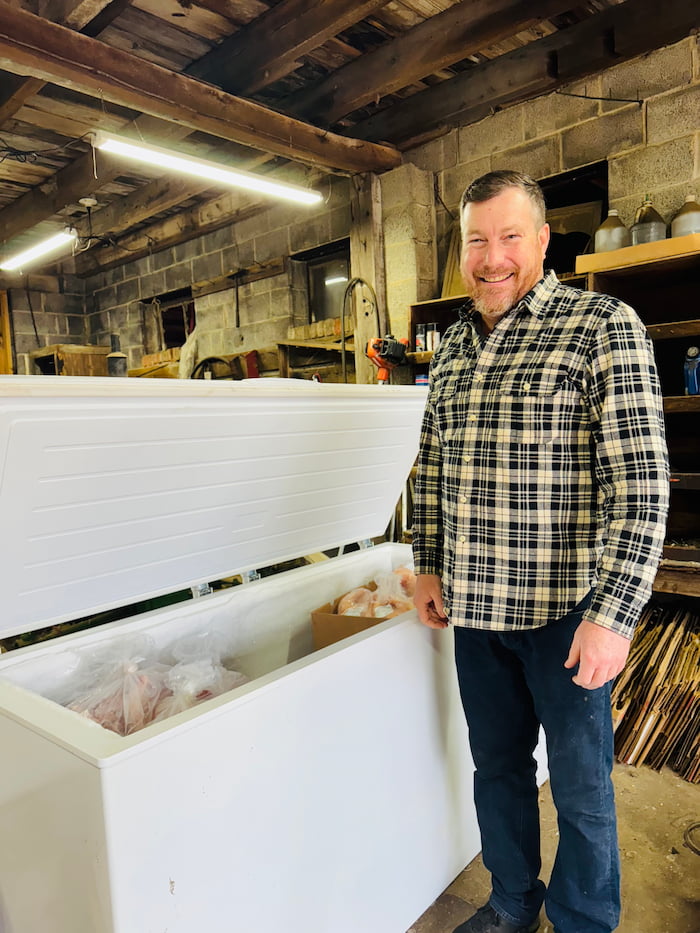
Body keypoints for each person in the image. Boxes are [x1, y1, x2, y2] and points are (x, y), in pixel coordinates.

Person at [412, 170, 669, 933]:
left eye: (510, 237)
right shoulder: (455, 346)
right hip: (474, 613)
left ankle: (585, 918)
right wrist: (429, 561)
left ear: (545, 240)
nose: (493, 258)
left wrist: (614, 616)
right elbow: (430, 467)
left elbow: (643, 485)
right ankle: (512, 903)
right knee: (497, 772)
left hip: (565, 615)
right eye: (478, 241)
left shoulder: (601, 325)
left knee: (584, 787)